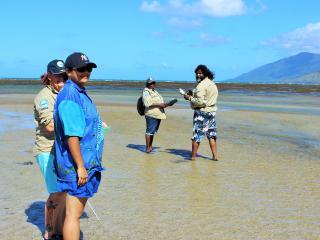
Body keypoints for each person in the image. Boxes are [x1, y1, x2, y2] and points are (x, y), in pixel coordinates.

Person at [53, 52, 104, 240]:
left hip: (84, 162)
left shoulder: (77, 91)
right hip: (77, 166)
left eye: (89, 68)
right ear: (69, 71)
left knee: (71, 214)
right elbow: (72, 135)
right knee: (73, 216)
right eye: (81, 69)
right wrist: (81, 167)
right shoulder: (70, 94)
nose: (86, 72)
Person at [33, 59, 67, 240]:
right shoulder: (43, 97)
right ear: (49, 75)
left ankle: (59, 229)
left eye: (64, 75)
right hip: (47, 150)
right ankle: (49, 232)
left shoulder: (66, 94)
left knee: (65, 191)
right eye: (57, 75)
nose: (61, 78)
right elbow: (50, 127)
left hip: (63, 151)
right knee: (57, 192)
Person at [183, 65, 219, 161]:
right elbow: (207, 98)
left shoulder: (201, 85)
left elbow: (201, 102)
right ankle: (215, 157)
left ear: (205, 73)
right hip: (212, 112)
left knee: (197, 135)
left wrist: (189, 97)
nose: (198, 75)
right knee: (211, 134)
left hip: (202, 113)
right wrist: (193, 94)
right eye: (197, 73)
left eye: (200, 73)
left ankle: (193, 157)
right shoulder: (212, 84)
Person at [142, 77, 169, 153]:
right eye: (150, 83)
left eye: (153, 83)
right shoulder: (146, 91)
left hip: (158, 114)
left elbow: (158, 101)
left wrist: (165, 104)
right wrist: (159, 104)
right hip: (151, 114)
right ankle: (148, 148)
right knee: (149, 131)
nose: (152, 84)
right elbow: (147, 103)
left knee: (153, 132)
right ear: (147, 84)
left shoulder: (155, 91)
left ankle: (150, 147)